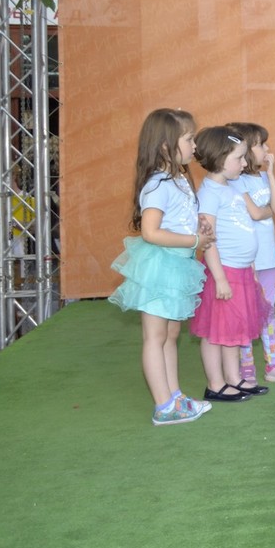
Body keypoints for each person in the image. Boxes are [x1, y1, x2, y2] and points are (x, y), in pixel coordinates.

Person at [109, 108, 214, 426]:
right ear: (167, 146)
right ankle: (163, 405)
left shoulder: (179, 179)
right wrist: (194, 240)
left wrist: (197, 224)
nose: (195, 146)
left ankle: (174, 396)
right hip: (160, 268)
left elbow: (175, 219)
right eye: (189, 139)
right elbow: (151, 232)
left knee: (170, 334)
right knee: (155, 336)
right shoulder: (157, 184)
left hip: (177, 266)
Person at [191, 127, 272, 403]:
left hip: (241, 270)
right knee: (215, 331)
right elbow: (208, 240)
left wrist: (251, 268)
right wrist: (220, 279)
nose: (245, 163)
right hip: (223, 272)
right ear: (220, 158)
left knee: (233, 328)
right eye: (239, 158)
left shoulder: (232, 186)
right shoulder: (209, 193)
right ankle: (215, 384)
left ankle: (234, 377)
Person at [227, 121, 275, 386]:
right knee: (246, 311)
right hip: (245, 261)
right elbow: (258, 213)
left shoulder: (261, 178)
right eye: (261, 145)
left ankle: (274, 363)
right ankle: (246, 366)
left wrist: (270, 174)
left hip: (268, 258)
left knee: (268, 310)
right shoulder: (234, 181)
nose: (267, 149)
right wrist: (269, 209)